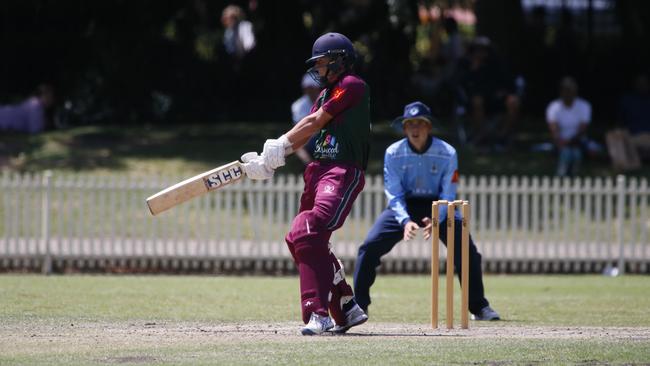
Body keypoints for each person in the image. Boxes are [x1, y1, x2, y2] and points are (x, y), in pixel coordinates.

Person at [242, 32, 371, 335]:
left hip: (341, 169)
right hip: (318, 171)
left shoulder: (352, 86)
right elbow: (306, 131)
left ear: (341, 61)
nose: (319, 69)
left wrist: (280, 143)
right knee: (298, 238)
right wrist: (271, 157)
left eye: (324, 62)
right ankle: (346, 305)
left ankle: (318, 313)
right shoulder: (325, 94)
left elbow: (313, 124)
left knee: (308, 229)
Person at [353, 101, 500, 322]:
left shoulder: (447, 152)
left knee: (467, 251)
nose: (415, 128)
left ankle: (479, 307)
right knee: (369, 247)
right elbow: (393, 193)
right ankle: (358, 307)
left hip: (439, 205)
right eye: (410, 123)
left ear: (429, 127)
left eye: (420, 123)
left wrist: (437, 218)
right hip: (404, 206)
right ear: (404, 128)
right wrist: (405, 222)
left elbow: (449, 193)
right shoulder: (393, 153)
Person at [546, 77, 592, 176]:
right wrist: (560, 140)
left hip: (578, 141)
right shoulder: (553, 106)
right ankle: (561, 176)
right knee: (566, 153)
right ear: (561, 92)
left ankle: (574, 176)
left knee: (575, 154)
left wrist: (570, 141)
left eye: (571, 91)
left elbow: (583, 129)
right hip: (560, 142)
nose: (569, 94)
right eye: (566, 90)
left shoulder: (584, 106)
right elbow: (553, 128)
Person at [290, 74, 322, 164]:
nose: (311, 91)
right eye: (308, 88)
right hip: (306, 141)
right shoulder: (297, 106)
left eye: (313, 87)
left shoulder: (327, 101)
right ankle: (308, 164)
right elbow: (298, 131)